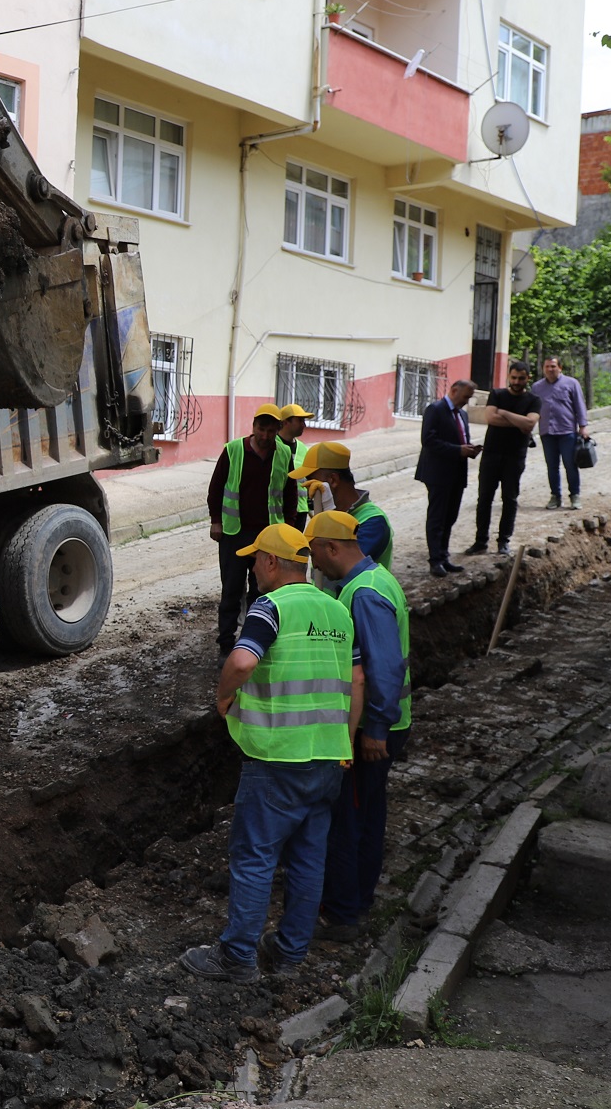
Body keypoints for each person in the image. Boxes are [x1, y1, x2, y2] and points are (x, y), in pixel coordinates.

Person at [182, 523, 363, 982]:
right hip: (327, 757)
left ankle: (237, 956)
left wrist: (224, 698)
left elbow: (243, 661)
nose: (252, 569)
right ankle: (289, 954)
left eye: (254, 559)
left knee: (255, 857)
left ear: (270, 562)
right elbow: (358, 682)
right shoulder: (337, 609)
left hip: (277, 757)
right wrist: (345, 740)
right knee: (307, 859)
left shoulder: (271, 606)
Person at [305, 511, 412, 943]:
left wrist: (374, 730)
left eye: (315, 555)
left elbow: (381, 667)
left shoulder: (362, 594)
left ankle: (343, 913)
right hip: (386, 722)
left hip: (372, 725)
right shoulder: (378, 578)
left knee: (347, 820)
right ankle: (361, 898)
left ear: (332, 548)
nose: (315, 567)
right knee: (368, 813)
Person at [208, 405, 305, 656]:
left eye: (271, 431)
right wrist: (216, 521)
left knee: (262, 589)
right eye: (261, 429)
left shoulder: (284, 454)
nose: (264, 435)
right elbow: (216, 489)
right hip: (234, 533)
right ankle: (226, 647)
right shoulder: (234, 450)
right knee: (231, 589)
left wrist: (289, 528)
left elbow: (289, 494)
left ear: (278, 430)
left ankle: (253, 641)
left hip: (268, 537)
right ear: (253, 427)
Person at [466, 362, 541, 557]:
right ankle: (481, 541)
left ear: (528, 378)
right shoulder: (497, 394)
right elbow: (491, 418)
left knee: (509, 498)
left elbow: (530, 424)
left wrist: (505, 413)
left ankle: (503, 541)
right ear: (509, 376)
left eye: (521, 378)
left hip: (515, 456)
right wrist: (519, 421)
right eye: (514, 377)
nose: (517, 382)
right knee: (484, 499)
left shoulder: (534, 400)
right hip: (492, 454)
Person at [290, 442, 392, 571]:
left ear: (333, 480)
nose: (308, 487)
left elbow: (339, 564)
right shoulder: (335, 512)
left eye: (311, 479)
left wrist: (328, 513)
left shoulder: (373, 521)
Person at [416, 379, 479, 577]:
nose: (467, 401)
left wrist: (469, 449)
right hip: (438, 472)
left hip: (456, 473)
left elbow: (460, 439)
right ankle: (435, 560)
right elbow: (428, 440)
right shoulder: (435, 409)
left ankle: (443, 556)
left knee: (450, 516)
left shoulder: (462, 414)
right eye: (465, 396)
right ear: (454, 390)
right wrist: (457, 450)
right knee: (437, 517)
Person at [532, 356, 590, 510]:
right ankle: (555, 497)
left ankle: (575, 496)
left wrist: (583, 426)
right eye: (547, 367)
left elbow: (579, 405)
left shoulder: (571, 383)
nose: (550, 370)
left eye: (553, 366)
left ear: (560, 368)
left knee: (570, 465)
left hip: (567, 432)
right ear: (543, 369)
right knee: (552, 466)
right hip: (547, 432)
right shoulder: (537, 387)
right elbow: (533, 409)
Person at [278, 403, 315, 515]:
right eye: (300, 421)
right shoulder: (271, 446)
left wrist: (310, 507)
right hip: (278, 510)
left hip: (300, 511)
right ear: (285, 422)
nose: (304, 425)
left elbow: (309, 480)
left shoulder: (303, 449)